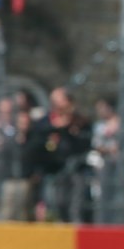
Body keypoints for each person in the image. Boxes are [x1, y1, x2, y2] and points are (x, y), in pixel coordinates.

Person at [28, 86, 92, 223]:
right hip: (51, 171)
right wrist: (56, 128)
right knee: (53, 204)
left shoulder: (80, 122)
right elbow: (36, 143)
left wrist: (70, 128)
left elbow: (85, 144)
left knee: (75, 206)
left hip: (75, 172)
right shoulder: (45, 123)